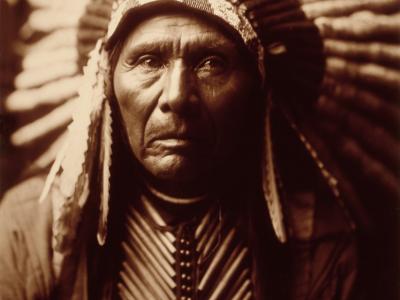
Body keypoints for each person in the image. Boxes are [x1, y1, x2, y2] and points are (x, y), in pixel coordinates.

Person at [0, 1, 359, 299]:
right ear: (106, 85)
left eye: (211, 63)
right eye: (149, 61)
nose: (176, 96)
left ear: (258, 89)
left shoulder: (318, 238)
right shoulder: (37, 229)